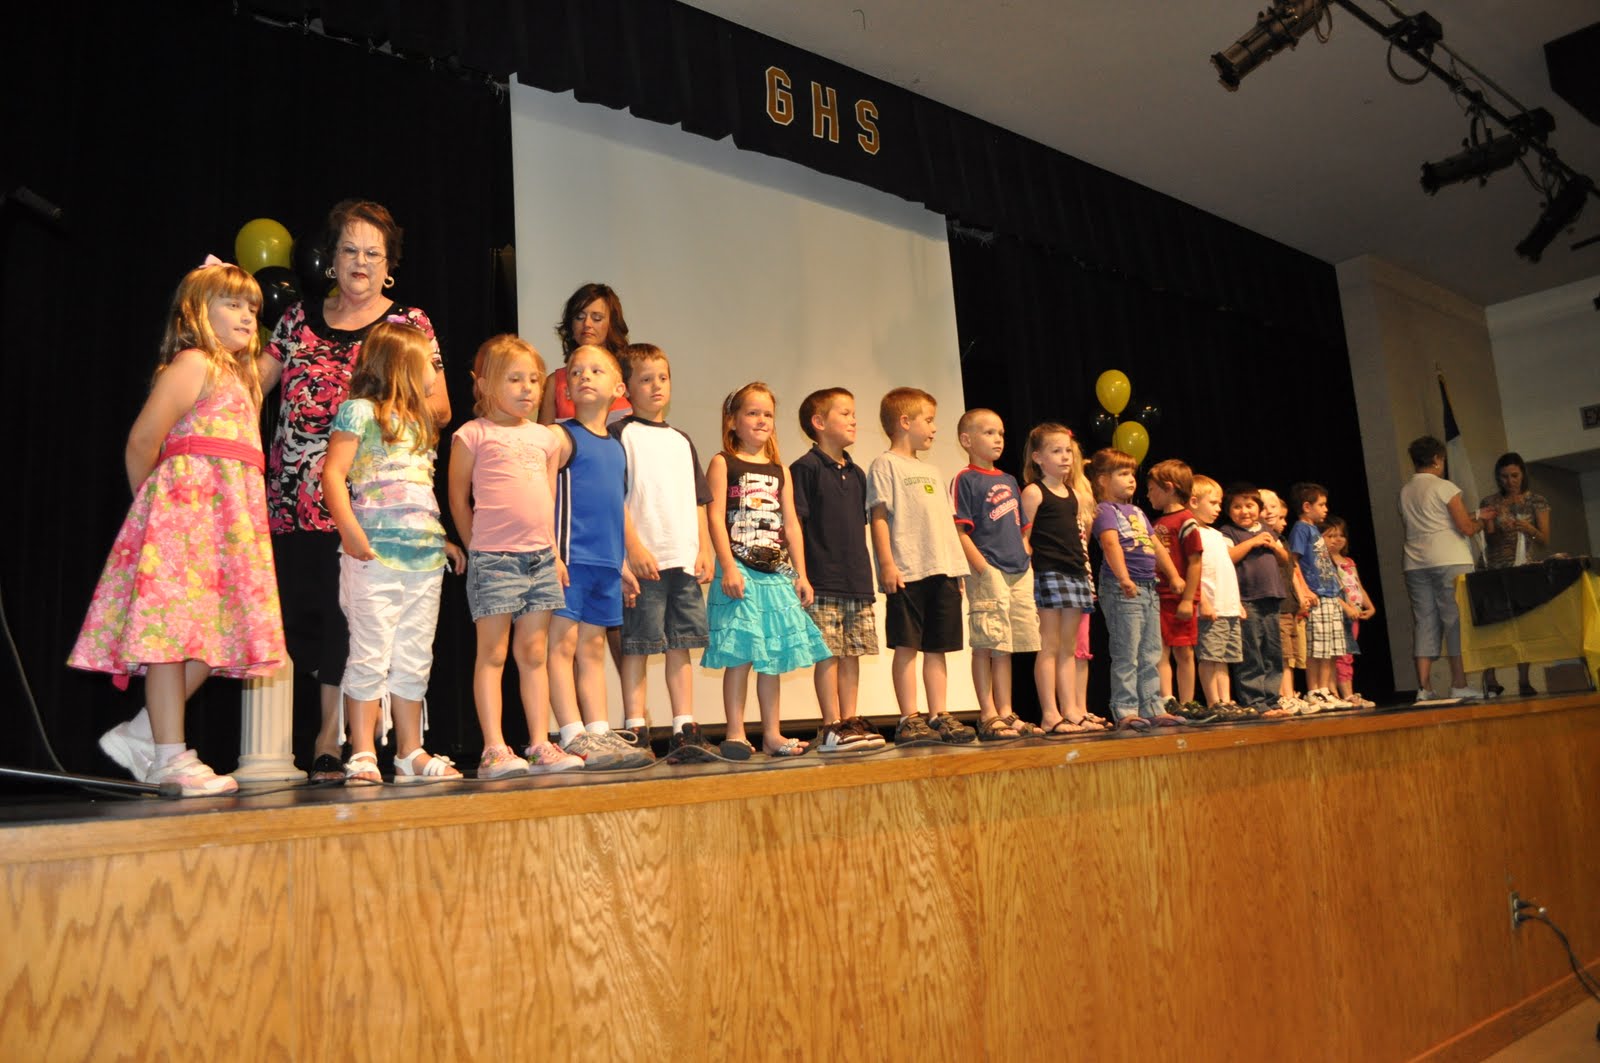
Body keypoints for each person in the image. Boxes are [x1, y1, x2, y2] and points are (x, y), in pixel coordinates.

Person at [74, 259, 285, 796]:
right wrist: (156, 515)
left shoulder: (243, 378)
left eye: (253, 307)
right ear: (197, 311)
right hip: (183, 518)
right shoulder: (194, 363)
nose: (247, 315)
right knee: (170, 638)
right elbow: (142, 441)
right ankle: (169, 754)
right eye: (232, 303)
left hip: (229, 525)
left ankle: (145, 733)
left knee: (215, 639)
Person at [260, 200, 450, 781]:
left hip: (374, 503)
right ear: (330, 257)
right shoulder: (296, 317)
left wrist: (376, 412)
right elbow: (256, 385)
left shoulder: (407, 324)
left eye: (373, 252)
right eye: (349, 249)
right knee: (310, 622)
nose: (360, 262)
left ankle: (337, 741)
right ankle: (312, 742)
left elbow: (439, 407)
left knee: (356, 629)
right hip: (297, 491)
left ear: (389, 264)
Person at [322, 321, 465, 784]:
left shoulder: (422, 422)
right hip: (374, 556)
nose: (435, 368)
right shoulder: (359, 412)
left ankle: (409, 751)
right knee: (369, 652)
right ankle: (363, 750)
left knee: (414, 655)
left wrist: (439, 537)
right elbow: (332, 476)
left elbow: (416, 490)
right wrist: (349, 531)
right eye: (430, 360)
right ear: (402, 363)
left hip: (424, 560)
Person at [447, 335, 582, 778]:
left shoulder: (545, 439)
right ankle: (493, 748)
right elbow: (458, 499)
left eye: (533, 381)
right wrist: (477, 548)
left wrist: (555, 554)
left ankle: (540, 742)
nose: (527, 389)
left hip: (540, 559)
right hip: (495, 559)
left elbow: (546, 497)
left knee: (534, 652)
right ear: (485, 384)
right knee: (493, 653)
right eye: (514, 379)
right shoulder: (473, 435)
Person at [702, 382, 829, 758]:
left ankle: (772, 734)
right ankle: (736, 733)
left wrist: (801, 575)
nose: (761, 420)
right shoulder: (723, 462)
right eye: (752, 413)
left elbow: (790, 525)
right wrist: (728, 566)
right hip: (739, 569)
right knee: (741, 653)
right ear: (733, 421)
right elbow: (714, 517)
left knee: (772, 655)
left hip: (775, 573)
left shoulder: (780, 471)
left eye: (767, 414)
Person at [612, 343, 718, 762]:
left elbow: (698, 498)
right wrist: (632, 547)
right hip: (647, 560)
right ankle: (636, 727)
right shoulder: (621, 435)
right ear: (626, 388)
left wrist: (704, 546)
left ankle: (684, 727)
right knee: (637, 644)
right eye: (645, 379)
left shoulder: (681, 439)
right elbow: (616, 498)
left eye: (663, 377)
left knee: (681, 642)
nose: (656, 386)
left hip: (683, 559)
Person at [548, 346, 650, 769]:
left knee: (592, 647)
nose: (584, 376)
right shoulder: (561, 435)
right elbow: (544, 496)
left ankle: (599, 732)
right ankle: (571, 732)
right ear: (567, 386)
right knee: (561, 644)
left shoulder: (616, 446)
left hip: (606, 565)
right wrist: (552, 554)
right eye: (576, 371)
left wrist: (623, 564)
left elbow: (615, 506)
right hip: (570, 561)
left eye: (595, 370)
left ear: (619, 388)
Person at [867, 387, 976, 746]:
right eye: (928, 420)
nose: (933, 428)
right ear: (904, 421)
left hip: (942, 570)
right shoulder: (885, 465)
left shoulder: (930, 469)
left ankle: (938, 713)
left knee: (938, 647)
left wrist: (955, 567)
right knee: (907, 646)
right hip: (907, 571)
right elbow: (878, 516)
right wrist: (886, 563)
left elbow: (943, 524)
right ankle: (908, 717)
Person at [792, 388, 885, 754]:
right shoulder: (806, 468)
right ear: (819, 423)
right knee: (827, 653)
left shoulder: (858, 472)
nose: (853, 419)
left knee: (851, 653)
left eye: (853, 413)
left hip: (856, 580)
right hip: (823, 578)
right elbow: (796, 523)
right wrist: (802, 574)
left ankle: (850, 720)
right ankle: (831, 725)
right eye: (844, 413)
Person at [952, 410, 1045, 740]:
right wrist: (983, 568)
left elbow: (1022, 526)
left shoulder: (1007, 480)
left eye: (1001, 433)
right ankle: (987, 713)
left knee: (1006, 647)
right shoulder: (966, 479)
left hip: (1018, 570)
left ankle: (1006, 712)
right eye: (989, 433)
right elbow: (960, 530)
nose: (998, 439)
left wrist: (1025, 552)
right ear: (967, 440)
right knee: (985, 643)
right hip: (988, 571)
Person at [1089, 448, 1183, 731]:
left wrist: (1174, 575)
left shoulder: (1138, 512)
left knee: (1150, 651)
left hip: (1149, 587)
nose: (1131, 480)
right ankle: (1125, 709)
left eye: (1132, 474)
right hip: (1123, 589)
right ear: (1103, 480)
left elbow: (1156, 546)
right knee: (1127, 652)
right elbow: (1110, 545)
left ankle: (1152, 706)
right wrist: (1123, 577)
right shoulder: (1105, 510)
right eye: (1123, 474)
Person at [1018, 422, 1100, 734]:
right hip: (1048, 575)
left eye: (1067, 451)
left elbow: (1080, 537)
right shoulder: (1034, 492)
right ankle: (1050, 713)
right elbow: (1025, 539)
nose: (1065, 457)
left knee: (1069, 649)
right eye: (1056, 451)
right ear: (1038, 457)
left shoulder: (1076, 495)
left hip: (1076, 573)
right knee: (1049, 646)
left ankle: (1072, 711)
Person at [1399, 436, 1493, 700]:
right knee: (1454, 621)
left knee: (1425, 621)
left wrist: (1475, 515)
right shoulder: (1445, 487)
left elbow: (1434, 520)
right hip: (1449, 559)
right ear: (1438, 459)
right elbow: (1463, 527)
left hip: (1415, 563)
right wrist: (1480, 524)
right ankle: (1459, 683)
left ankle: (1424, 688)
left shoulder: (1406, 490)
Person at [1478, 452, 1551, 696]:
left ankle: (1524, 680)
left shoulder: (1536, 501)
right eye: (1504, 477)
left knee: (1523, 626)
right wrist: (1496, 525)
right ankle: (1490, 678)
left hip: (1523, 569)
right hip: (1494, 570)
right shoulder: (1490, 502)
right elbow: (1487, 538)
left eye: (1514, 475)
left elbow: (1543, 539)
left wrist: (1529, 528)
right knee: (1492, 625)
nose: (1510, 481)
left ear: (1522, 475)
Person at [1220, 484, 1293, 715]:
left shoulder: (1267, 530)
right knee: (1252, 651)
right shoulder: (1228, 532)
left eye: (1249, 505)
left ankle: (1272, 699)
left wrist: (1273, 545)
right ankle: (1254, 701)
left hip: (1271, 597)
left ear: (1259, 509)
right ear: (1229, 511)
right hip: (1247, 599)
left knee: (1272, 650)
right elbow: (1228, 557)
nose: (1244, 511)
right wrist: (1251, 542)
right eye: (1237, 507)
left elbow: (1284, 559)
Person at [1286, 483, 1355, 711]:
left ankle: (1325, 689)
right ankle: (1315, 690)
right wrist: (1304, 590)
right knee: (1318, 647)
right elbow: (1294, 560)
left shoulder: (1314, 529)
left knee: (1330, 647)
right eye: (1321, 505)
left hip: (1330, 593)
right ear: (1307, 506)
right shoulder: (1301, 529)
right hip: (1316, 594)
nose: (1325, 509)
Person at [1147, 459, 1202, 713]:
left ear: (1168, 487)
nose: (1148, 495)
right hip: (1158, 596)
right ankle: (1167, 699)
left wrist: (1188, 599)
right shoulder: (1156, 523)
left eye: (1151, 489)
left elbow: (1194, 562)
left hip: (1179, 598)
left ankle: (1188, 700)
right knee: (1160, 651)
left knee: (1184, 651)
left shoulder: (1186, 521)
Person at [1189, 476, 1247, 713]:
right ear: (1193, 501)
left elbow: (1226, 571)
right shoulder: (1192, 532)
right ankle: (1213, 701)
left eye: (1219, 503)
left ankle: (1226, 700)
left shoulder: (1216, 534)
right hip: (1210, 608)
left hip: (1228, 606)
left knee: (1224, 658)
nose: (1218, 509)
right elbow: (1195, 572)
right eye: (1213, 503)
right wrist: (1202, 602)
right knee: (1209, 656)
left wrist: (1237, 603)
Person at [537, 283, 631, 425]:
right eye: (579, 317)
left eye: (597, 318)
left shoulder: (630, 372)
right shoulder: (555, 382)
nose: (587, 324)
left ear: (612, 324)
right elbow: (544, 441)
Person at [1261, 489, 1314, 713]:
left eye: (1274, 507)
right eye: (1265, 507)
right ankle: (1282, 695)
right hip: (1275, 604)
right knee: (1280, 654)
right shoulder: (1261, 538)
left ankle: (1289, 694)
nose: (1270, 512)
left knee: (1289, 655)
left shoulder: (1280, 539)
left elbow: (1292, 571)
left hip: (1289, 604)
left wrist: (1301, 595)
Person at [1321, 516, 1376, 708]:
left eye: (1341, 535)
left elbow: (1357, 585)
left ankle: (1346, 694)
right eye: (1331, 535)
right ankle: (1338, 693)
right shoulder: (1324, 562)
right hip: (1337, 614)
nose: (1337, 539)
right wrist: (1346, 608)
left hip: (1354, 616)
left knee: (1347, 655)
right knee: (1335, 655)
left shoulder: (1348, 561)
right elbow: (1328, 590)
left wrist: (1370, 606)